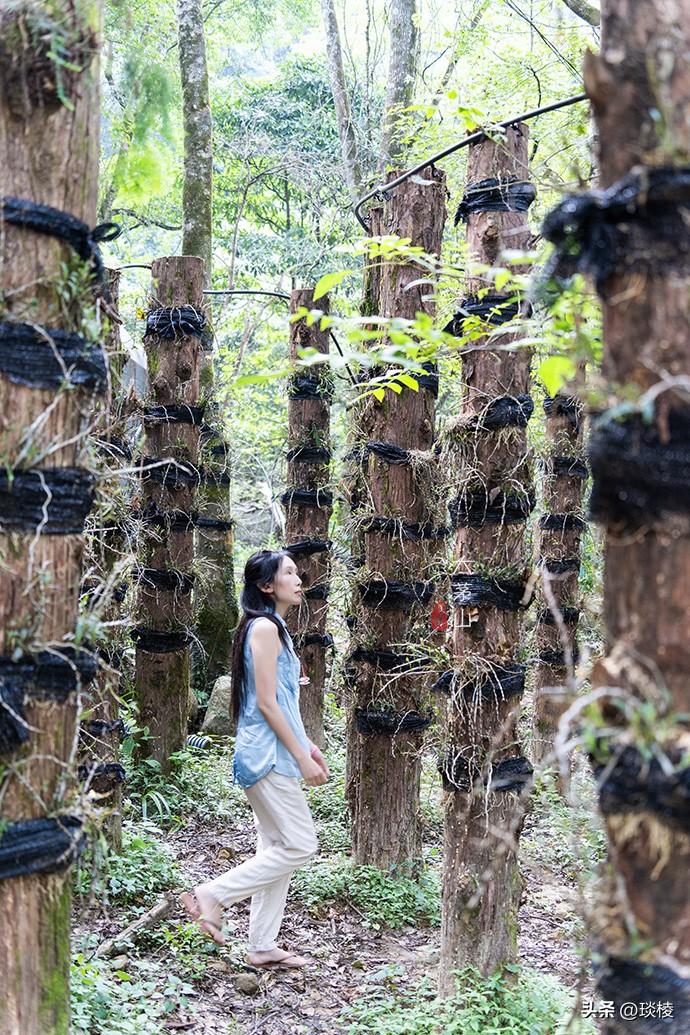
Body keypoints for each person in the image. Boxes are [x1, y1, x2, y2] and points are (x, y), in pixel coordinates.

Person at [179, 549, 329, 971]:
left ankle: (261, 945)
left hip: (271, 754)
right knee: (300, 845)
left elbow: (282, 699)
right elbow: (264, 703)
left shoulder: (272, 628)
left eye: (298, 574)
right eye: (289, 574)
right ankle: (212, 895)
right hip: (267, 758)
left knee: (276, 848)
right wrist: (301, 755)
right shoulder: (264, 628)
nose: (299, 580)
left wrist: (307, 745)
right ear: (266, 586)